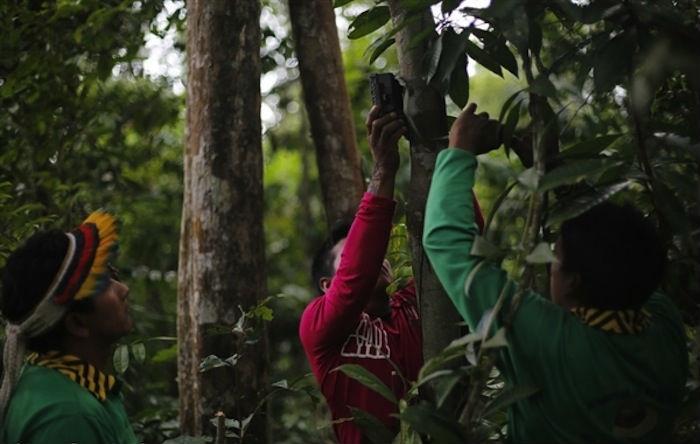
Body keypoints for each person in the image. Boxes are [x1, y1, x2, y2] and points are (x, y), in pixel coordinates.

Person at [422, 103, 688, 442]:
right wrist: (557, 179)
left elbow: (447, 245)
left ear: (574, 281)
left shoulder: (550, 342)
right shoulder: (664, 329)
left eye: (557, 257)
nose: (549, 263)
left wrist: (458, 151)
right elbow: (624, 252)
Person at [299, 106, 422, 444]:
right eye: (348, 253)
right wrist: (383, 170)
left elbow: (457, 245)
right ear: (326, 285)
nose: (374, 256)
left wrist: (440, 150)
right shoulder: (318, 323)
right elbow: (355, 278)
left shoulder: (413, 303)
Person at [0, 210, 136, 443]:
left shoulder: (48, 376)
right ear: (77, 323)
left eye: (113, 274)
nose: (123, 290)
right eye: (104, 284)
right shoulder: (70, 416)